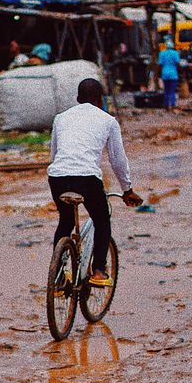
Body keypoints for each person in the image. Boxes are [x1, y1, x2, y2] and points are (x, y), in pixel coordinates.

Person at [48, 77, 142, 286]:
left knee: (65, 220)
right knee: (101, 219)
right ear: (101, 99)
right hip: (87, 178)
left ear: (78, 99)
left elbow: (54, 155)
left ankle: (58, 277)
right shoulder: (108, 120)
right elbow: (117, 160)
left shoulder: (60, 118)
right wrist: (127, 190)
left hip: (57, 177)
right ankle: (98, 269)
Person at [158, 35, 181, 110]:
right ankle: (173, 105)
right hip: (173, 74)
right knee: (172, 90)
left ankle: (166, 105)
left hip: (165, 74)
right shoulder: (175, 53)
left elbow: (160, 64)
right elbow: (178, 63)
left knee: (166, 90)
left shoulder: (161, 53)